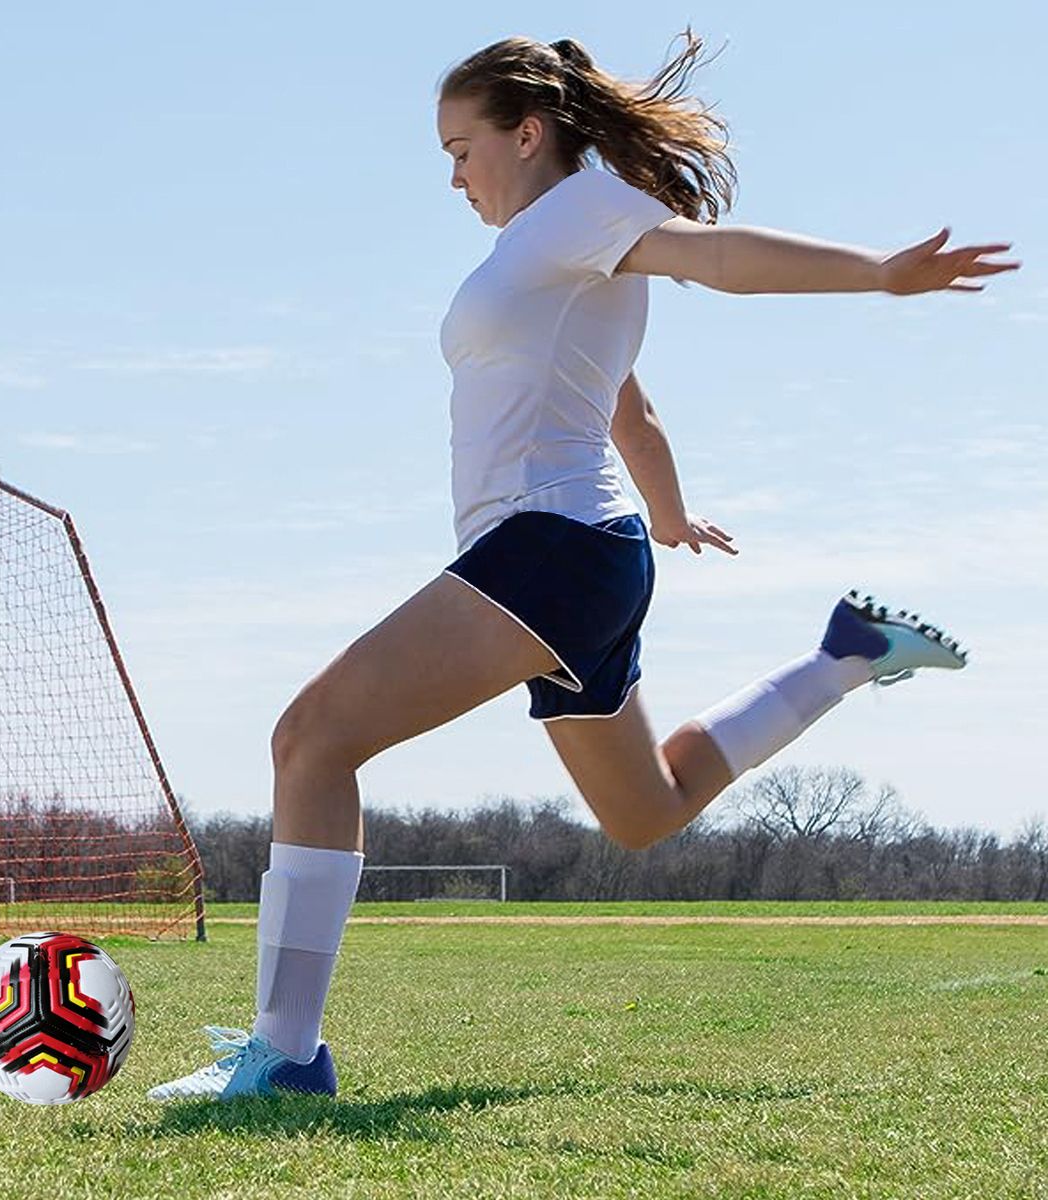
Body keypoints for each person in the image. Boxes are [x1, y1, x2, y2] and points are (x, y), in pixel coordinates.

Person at [149, 31, 1019, 1101]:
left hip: (550, 548)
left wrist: (878, 275)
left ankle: (285, 1056)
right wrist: (668, 513)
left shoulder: (581, 208)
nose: (453, 176)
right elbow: (627, 401)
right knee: (646, 811)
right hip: (582, 553)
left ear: (529, 132)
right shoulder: (554, 254)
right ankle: (845, 657)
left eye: (462, 149)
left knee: (312, 738)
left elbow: (717, 258)